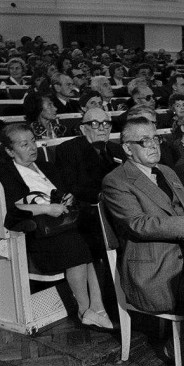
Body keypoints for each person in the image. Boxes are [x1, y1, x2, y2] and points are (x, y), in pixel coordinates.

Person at [102, 117, 184, 366]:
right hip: (157, 268)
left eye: (155, 138)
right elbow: (138, 224)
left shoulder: (166, 171)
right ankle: (181, 345)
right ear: (126, 148)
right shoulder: (117, 181)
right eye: (144, 141)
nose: (153, 145)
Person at [0, 123, 111, 330]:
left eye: (33, 141)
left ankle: (97, 308)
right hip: (39, 233)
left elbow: (65, 192)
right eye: (24, 144)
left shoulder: (48, 167)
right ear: (9, 150)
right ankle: (84, 309)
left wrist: (68, 198)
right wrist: (46, 209)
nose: (32, 147)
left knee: (94, 237)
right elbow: (10, 210)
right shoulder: (5, 174)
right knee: (76, 244)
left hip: (64, 223)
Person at [56, 108, 125, 256]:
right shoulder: (68, 149)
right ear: (83, 128)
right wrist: (102, 195)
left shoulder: (117, 149)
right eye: (95, 123)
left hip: (119, 205)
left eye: (106, 123)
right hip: (89, 208)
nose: (102, 128)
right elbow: (72, 186)